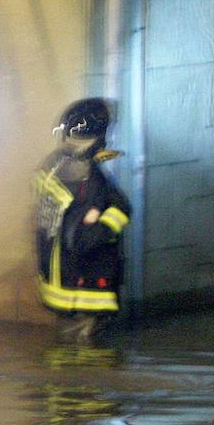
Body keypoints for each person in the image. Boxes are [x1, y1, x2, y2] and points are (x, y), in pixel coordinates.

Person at [34, 97, 131, 343]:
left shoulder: (53, 167)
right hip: (85, 288)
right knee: (87, 362)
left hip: (64, 287)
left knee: (65, 362)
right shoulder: (87, 177)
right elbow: (83, 236)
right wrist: (104, 226)